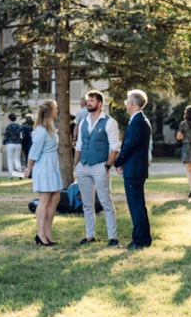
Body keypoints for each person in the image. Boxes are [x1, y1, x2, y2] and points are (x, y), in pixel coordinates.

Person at [72, 90, 120, 247]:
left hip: (100, 165)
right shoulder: (84, 121)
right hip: (83, 166)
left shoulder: (109, 121)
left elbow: (115, 148)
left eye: (92, 100)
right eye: (88, 100)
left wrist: (107, 166)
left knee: (105, 201)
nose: (89, 103)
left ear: (99, 103)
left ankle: (112, 237)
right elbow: (79, 145)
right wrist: (76, 165)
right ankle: (89, 235)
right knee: (87, 204)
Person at [114, 88, 153, 249]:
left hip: (134, 170)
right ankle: (144, 238)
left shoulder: (138, 121)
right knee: (139, 204)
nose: (126, 103)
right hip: (135, 168)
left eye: (127, 100)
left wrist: (117, 161)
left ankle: (140, 240)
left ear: (132, 103)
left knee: (136, 205)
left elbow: (129, 145)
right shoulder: (139, 120)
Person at [24, 99, 62, 246]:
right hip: (44, 167)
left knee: (55, 199)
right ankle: (40, 234)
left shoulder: (50, 128)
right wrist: (29, 168)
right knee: (44, 201)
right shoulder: (40, 131)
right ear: (50, 111)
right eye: (55, 108)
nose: (57, 111)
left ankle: (48, 232)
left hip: (53, 167)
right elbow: (33, 152)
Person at [2, 113, 24, 178]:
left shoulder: (8, 126)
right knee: (17, 159)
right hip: (18, 144)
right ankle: (19, 172)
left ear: (9, 119)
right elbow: (22, 136)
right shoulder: (19, 126)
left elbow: (6, 136)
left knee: (10, 159)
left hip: (10, 144)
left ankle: (11, 175)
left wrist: (3, 144)